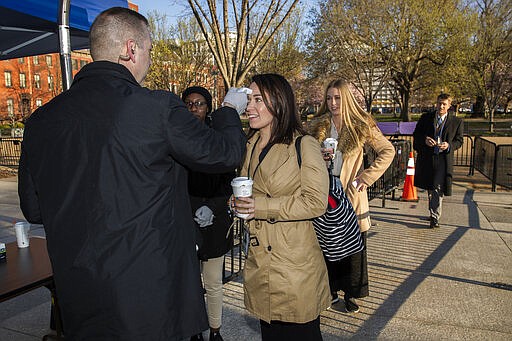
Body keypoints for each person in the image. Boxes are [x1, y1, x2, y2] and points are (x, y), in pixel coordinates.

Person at [17, 7, 248, 341]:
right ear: (130, 49)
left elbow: (34, 209)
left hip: (80, 293)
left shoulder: (40, 121)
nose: (150, 60)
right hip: (151, 299)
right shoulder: (156, 108)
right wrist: (228, 111)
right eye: (150, 51)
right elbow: (224, 153)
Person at [231, 73, 331, 340]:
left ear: (278, 102)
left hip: (293, 268)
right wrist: (238, 203)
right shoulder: (250, 144)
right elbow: (251, 189)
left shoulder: (303, 144)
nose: (249, 107)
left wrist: (260, 207)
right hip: (261, 263)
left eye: (257, 100)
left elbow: (316, 201)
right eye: (248, 100)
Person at [309, 79, 395, 313]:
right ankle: (329, 292)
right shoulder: (317, 125)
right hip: (323, 196)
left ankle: (351, 293)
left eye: (337, 98)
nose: (332, 103)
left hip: (350, 197)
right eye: (328, 98)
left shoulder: (361, 124)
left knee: (353, 248)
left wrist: (365, 177)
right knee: (326, 246)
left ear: (346, 98)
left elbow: (388, 151)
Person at [183, 86, 234, 341]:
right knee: (190, 284)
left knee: (213, 282)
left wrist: (212, 207)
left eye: (200, 103)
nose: (194, 108)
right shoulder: (177, 137)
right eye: (189, 104)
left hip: (215, 221)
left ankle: (215, 330)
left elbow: (228, 183)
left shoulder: (218, 139)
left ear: (208, 107)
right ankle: (194, 330)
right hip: (186, 221)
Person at [413, 93, 463, 228]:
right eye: (439, 103)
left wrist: (449, 146)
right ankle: (432, 211)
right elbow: (416, 134)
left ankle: (435, 217)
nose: (441, 106)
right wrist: (425, 140)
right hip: (428, 158)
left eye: (444, 104)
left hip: (443, 159)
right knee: (430, 186)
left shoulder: (457, 122)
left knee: (437, 187)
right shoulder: (426, 118)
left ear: (449, 106)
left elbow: (459, 141)